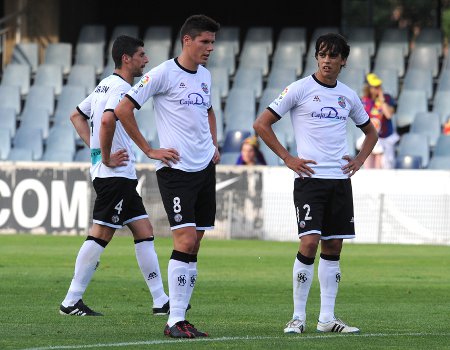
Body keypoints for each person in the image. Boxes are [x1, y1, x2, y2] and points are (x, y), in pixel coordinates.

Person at [253, 33, 378, 334]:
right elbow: (261, 124)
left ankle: (327, 319)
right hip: (310, 180)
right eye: (322, 54)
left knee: (333, 246)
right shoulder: (299, 89)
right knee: (309, 242)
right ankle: (297, 317)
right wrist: (287, 158)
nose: (327, 60)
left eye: (333, 56)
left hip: (339, 181)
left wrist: (359, 160)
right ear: (316, 57)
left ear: (342, 61)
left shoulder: (347, 95)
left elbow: (371, 133)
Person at [114, 15, 220, 338]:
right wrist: (150, 149)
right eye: (204, 42)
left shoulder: (205, 76)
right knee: (184, 240)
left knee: (195, 245)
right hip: (176, 172)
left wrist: (213, 144)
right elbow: (123, 109)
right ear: (187, 41)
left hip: (205, 169)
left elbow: (209, 110)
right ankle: (174, 320)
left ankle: (182, 318)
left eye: (212, 43)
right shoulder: (162, 74)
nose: (209, 48)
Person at [60, 35, 176, 317]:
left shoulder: (104, 85)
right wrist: (107, 156)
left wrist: (96, 151)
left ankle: (161, 301)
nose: (146, 60)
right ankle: (71, 300)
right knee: (100, 233)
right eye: (141, 55)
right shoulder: (122, 88)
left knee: (144, 231)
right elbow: (107, 120)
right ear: (127, 58)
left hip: (115, 174)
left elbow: (76, 115)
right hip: (115, 175)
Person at [361, 72, 399, 169]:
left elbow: (389, 115)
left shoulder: (387, 98)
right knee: (368, 169)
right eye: (374, 87)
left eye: (378, 86)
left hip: (385, 139)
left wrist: (382, 100)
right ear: (368, 88)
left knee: (383, 169)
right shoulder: (365, 100)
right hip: (371, 138)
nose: (377, 89)